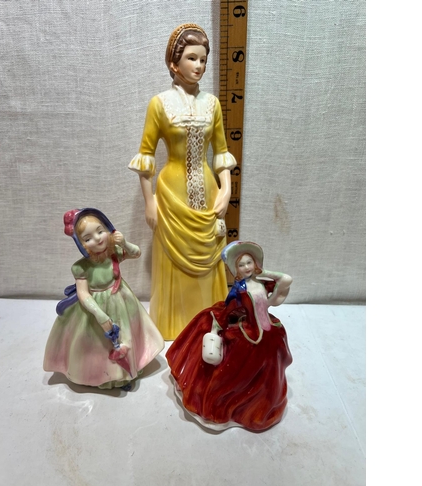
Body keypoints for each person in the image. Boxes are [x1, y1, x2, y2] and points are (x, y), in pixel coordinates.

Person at [128, 24, 237, 340]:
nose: (199, 66)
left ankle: (210, 322)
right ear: (174, 63)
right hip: (171, 195)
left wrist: (226, 189)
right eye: (191, 58)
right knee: (173, 262)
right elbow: (146, 157)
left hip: (208, 192)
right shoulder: (159, 103)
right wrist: (149, 202)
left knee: (209, 257)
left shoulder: (212, 104)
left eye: (203, 60)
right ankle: (174, 323)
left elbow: (221, 152)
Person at [165, 241, 293, 431]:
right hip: (250, 333)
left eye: (249, 262)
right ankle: (237, 406)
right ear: (236, 270)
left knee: (270, 371)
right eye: (241, 265)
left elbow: (285, 280)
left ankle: (264, 404)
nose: (246, 267)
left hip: (269, 332)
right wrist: (217, 326)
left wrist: (264, 272)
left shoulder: (264, 284)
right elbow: (230, 309)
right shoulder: (240, 290)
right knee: (237, 376)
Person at [43, 208, 164, 390]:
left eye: (100, 231)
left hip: (120, 300)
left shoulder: (113, 254)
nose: (98, 238)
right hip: (95, 308)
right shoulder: (81, 267)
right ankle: (102, 376)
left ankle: (125, 374)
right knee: (99, 344)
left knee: (125, 336)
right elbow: (83, 294)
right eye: (88, 238)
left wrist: (124, 243)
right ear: (81, 244)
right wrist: (99, 314)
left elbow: (136, 253)